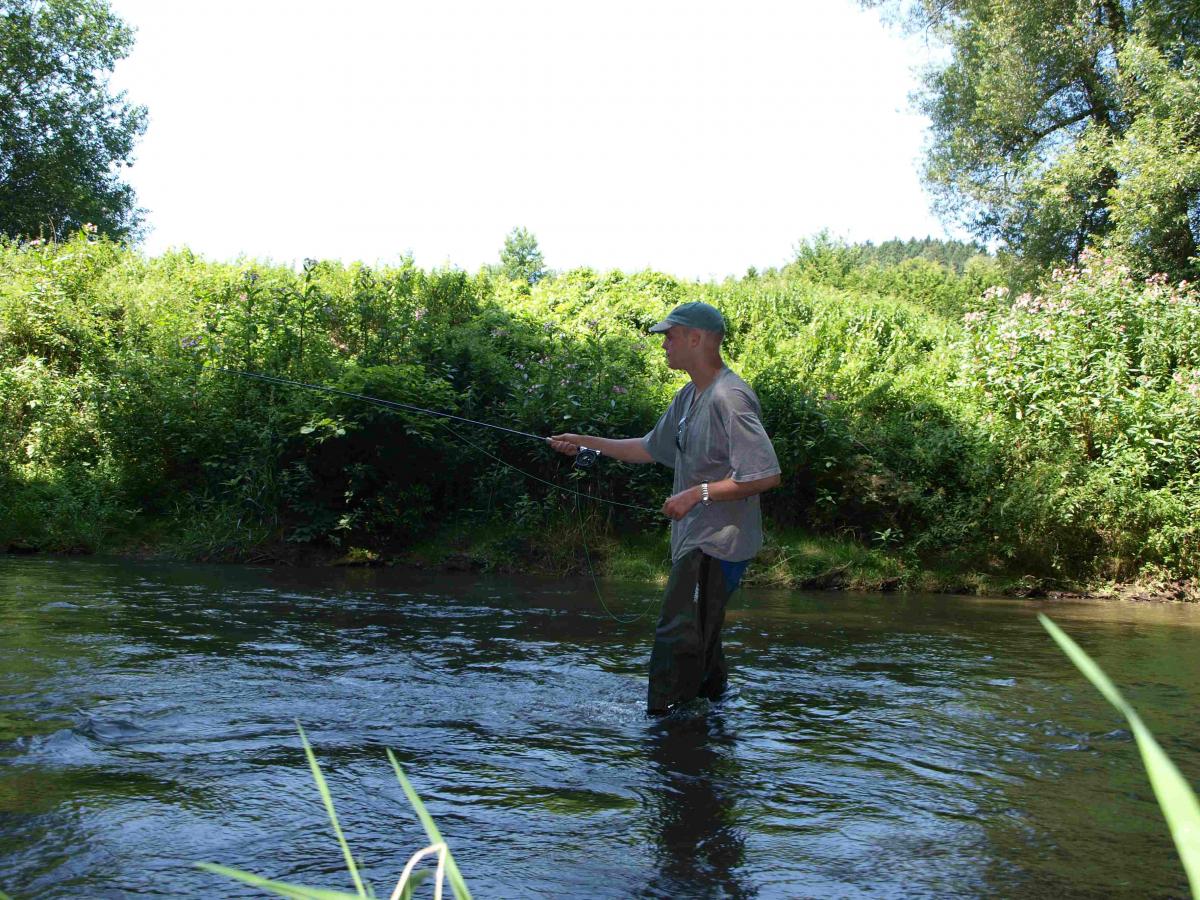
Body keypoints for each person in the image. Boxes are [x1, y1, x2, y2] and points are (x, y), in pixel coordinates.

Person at [549, 301, 781, 714]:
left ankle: (665, 731)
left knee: (676, 638)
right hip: (697, 543)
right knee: (700, 640)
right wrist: (587, 442)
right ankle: (711, 727)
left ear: (696, 338)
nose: (664, 345)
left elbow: (764, 475)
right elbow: (648, 447)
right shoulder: (689, 396)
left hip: (716, 547)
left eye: (669, 336)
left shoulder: (730, 398)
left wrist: (697, 494)